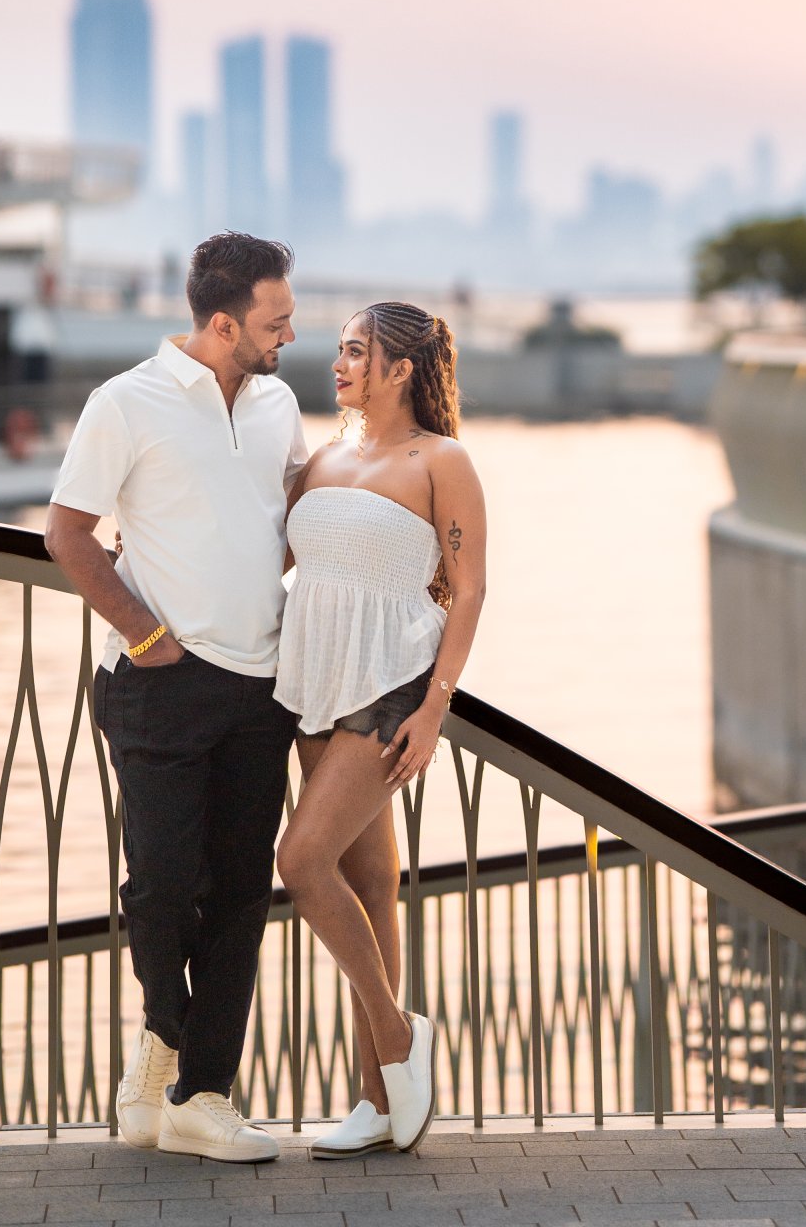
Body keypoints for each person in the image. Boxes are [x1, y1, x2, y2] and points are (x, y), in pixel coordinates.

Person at [44, 231, 305, 1162]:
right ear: (223, 323)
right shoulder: (127, 401)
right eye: (275, 321)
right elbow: (67, 533)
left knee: (240, 893)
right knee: (159, 886)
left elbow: (288, 518)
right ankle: (166, 1036)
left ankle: (200, 1095)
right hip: (160, 684)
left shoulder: (279, 404)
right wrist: (145, 633)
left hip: (261, 685)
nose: (290, 334)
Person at [274, 301, 487, 1156]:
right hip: (313, 681)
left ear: (401, 369)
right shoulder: (322, 458)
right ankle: (379, 1102)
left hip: (393, 685)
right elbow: (267, 560)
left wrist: (436, 707)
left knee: (300, 862)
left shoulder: (441, 460)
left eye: (356, 351)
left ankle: (397, 1037)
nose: (339, 363)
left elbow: (469, 590)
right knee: (366, 886)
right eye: (340, 350)